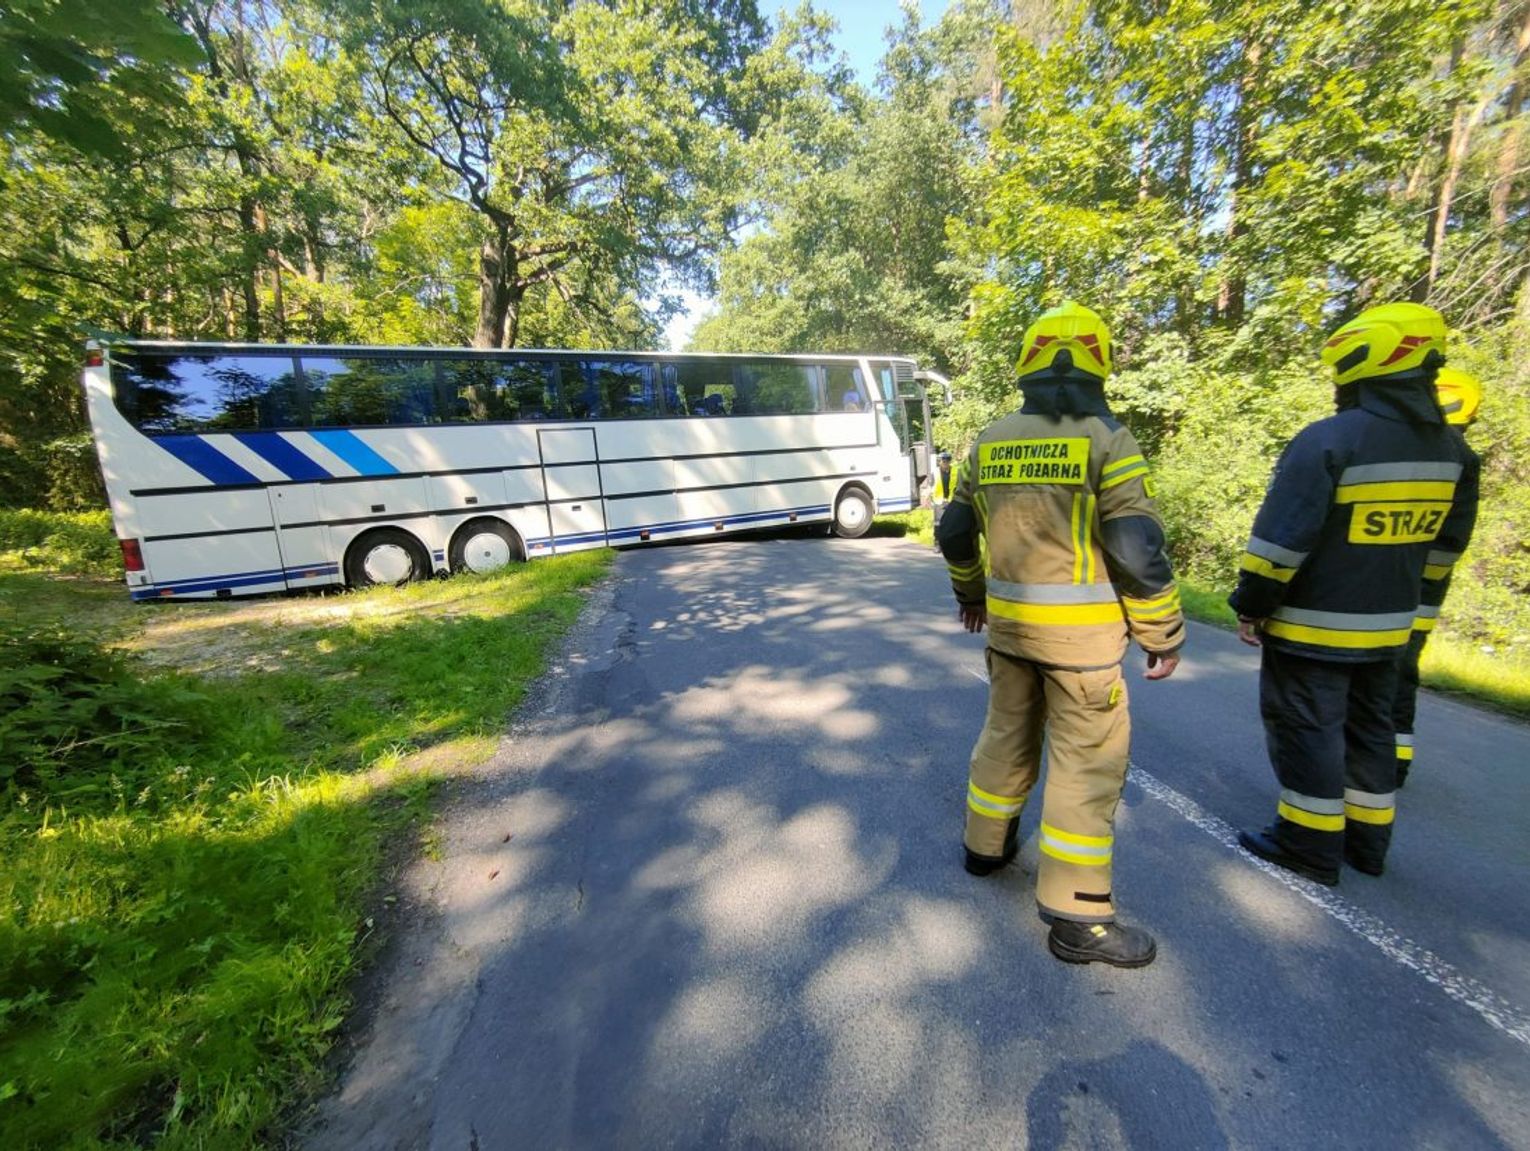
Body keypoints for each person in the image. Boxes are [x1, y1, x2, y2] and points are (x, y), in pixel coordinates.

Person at [937, 301, 1185, 969]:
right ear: (1100, 360)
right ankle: (1078, 914)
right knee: (1086, 765)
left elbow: (953, 531)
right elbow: (1135, 547)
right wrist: (1161, 629)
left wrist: (972, 594)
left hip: (1011, 635)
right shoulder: (1108, 439)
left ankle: (984, 848)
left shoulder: (989, 439)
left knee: (1005, 736)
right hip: (1083, 650)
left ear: (1028, 363)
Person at [1230, 303, 1478, 884]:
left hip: (1314, 626)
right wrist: (1416, 607)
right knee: (1371, 732)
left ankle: (1307, 845)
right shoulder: (1452, 452)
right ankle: (1367, 844)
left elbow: (1281, 541)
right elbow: (1447, 547)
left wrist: (1253, 604)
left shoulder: (1331, 441)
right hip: (1392, 627)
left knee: (1309, 729)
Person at [1392, 368, 1483, 787]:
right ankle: (1395, 757)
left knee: (1376, 675)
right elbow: (1452, 540)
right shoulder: (1463, 457)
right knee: (1401, 672)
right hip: (1423, 595)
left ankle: (1375, 757)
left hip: (1390, 592)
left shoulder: (1425, 452)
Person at [926, 450, 960, 543]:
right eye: (943, 460)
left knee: (952, 523)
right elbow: (930, 486)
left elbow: (959, 486)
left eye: (947, 460)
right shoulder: (935, 472)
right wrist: (927, 498)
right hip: (939, 501)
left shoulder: (956, 471)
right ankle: (937, 543)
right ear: (939, 461)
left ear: (950, 461)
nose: (945, 462)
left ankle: (949, 543)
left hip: (951, 501)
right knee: (938, 523)